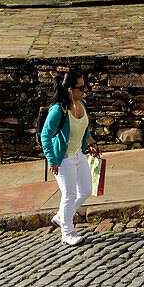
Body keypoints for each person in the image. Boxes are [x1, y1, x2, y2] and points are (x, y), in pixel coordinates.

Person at [40, 70, 100, 246]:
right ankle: (67, 233)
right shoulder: (58, 110)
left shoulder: (81, 104)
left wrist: (92, 143)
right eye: (81, 88)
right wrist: (52, 160)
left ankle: (61, 216)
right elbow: (46, 135)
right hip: (63, 158)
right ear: (70, 90)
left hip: (79, 155)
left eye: (85, 87)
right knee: (69, 194)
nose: (84, 91)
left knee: (86, 191)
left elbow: (85, 129)